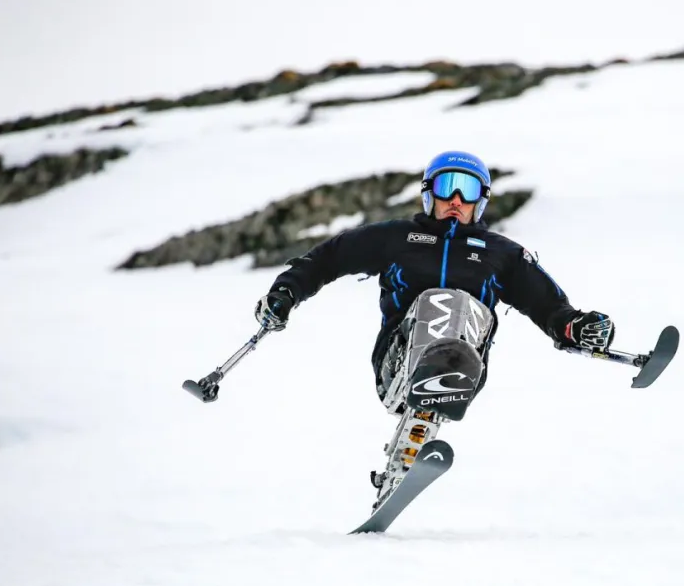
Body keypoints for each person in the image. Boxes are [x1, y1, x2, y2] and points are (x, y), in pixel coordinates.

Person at [253, 150, 616, 408]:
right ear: (430, 194)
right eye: (447, 187)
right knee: (441, 300)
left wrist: (573, 326)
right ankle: (422, 372)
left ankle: (442, 379)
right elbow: (327, 259)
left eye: (468, 191)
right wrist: (286, 292)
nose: (456, 199)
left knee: (464, 305)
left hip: (465, 370)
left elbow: (545, 302)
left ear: (481, 202)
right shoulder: (396, 238)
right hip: (396, 363)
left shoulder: (500, 253)